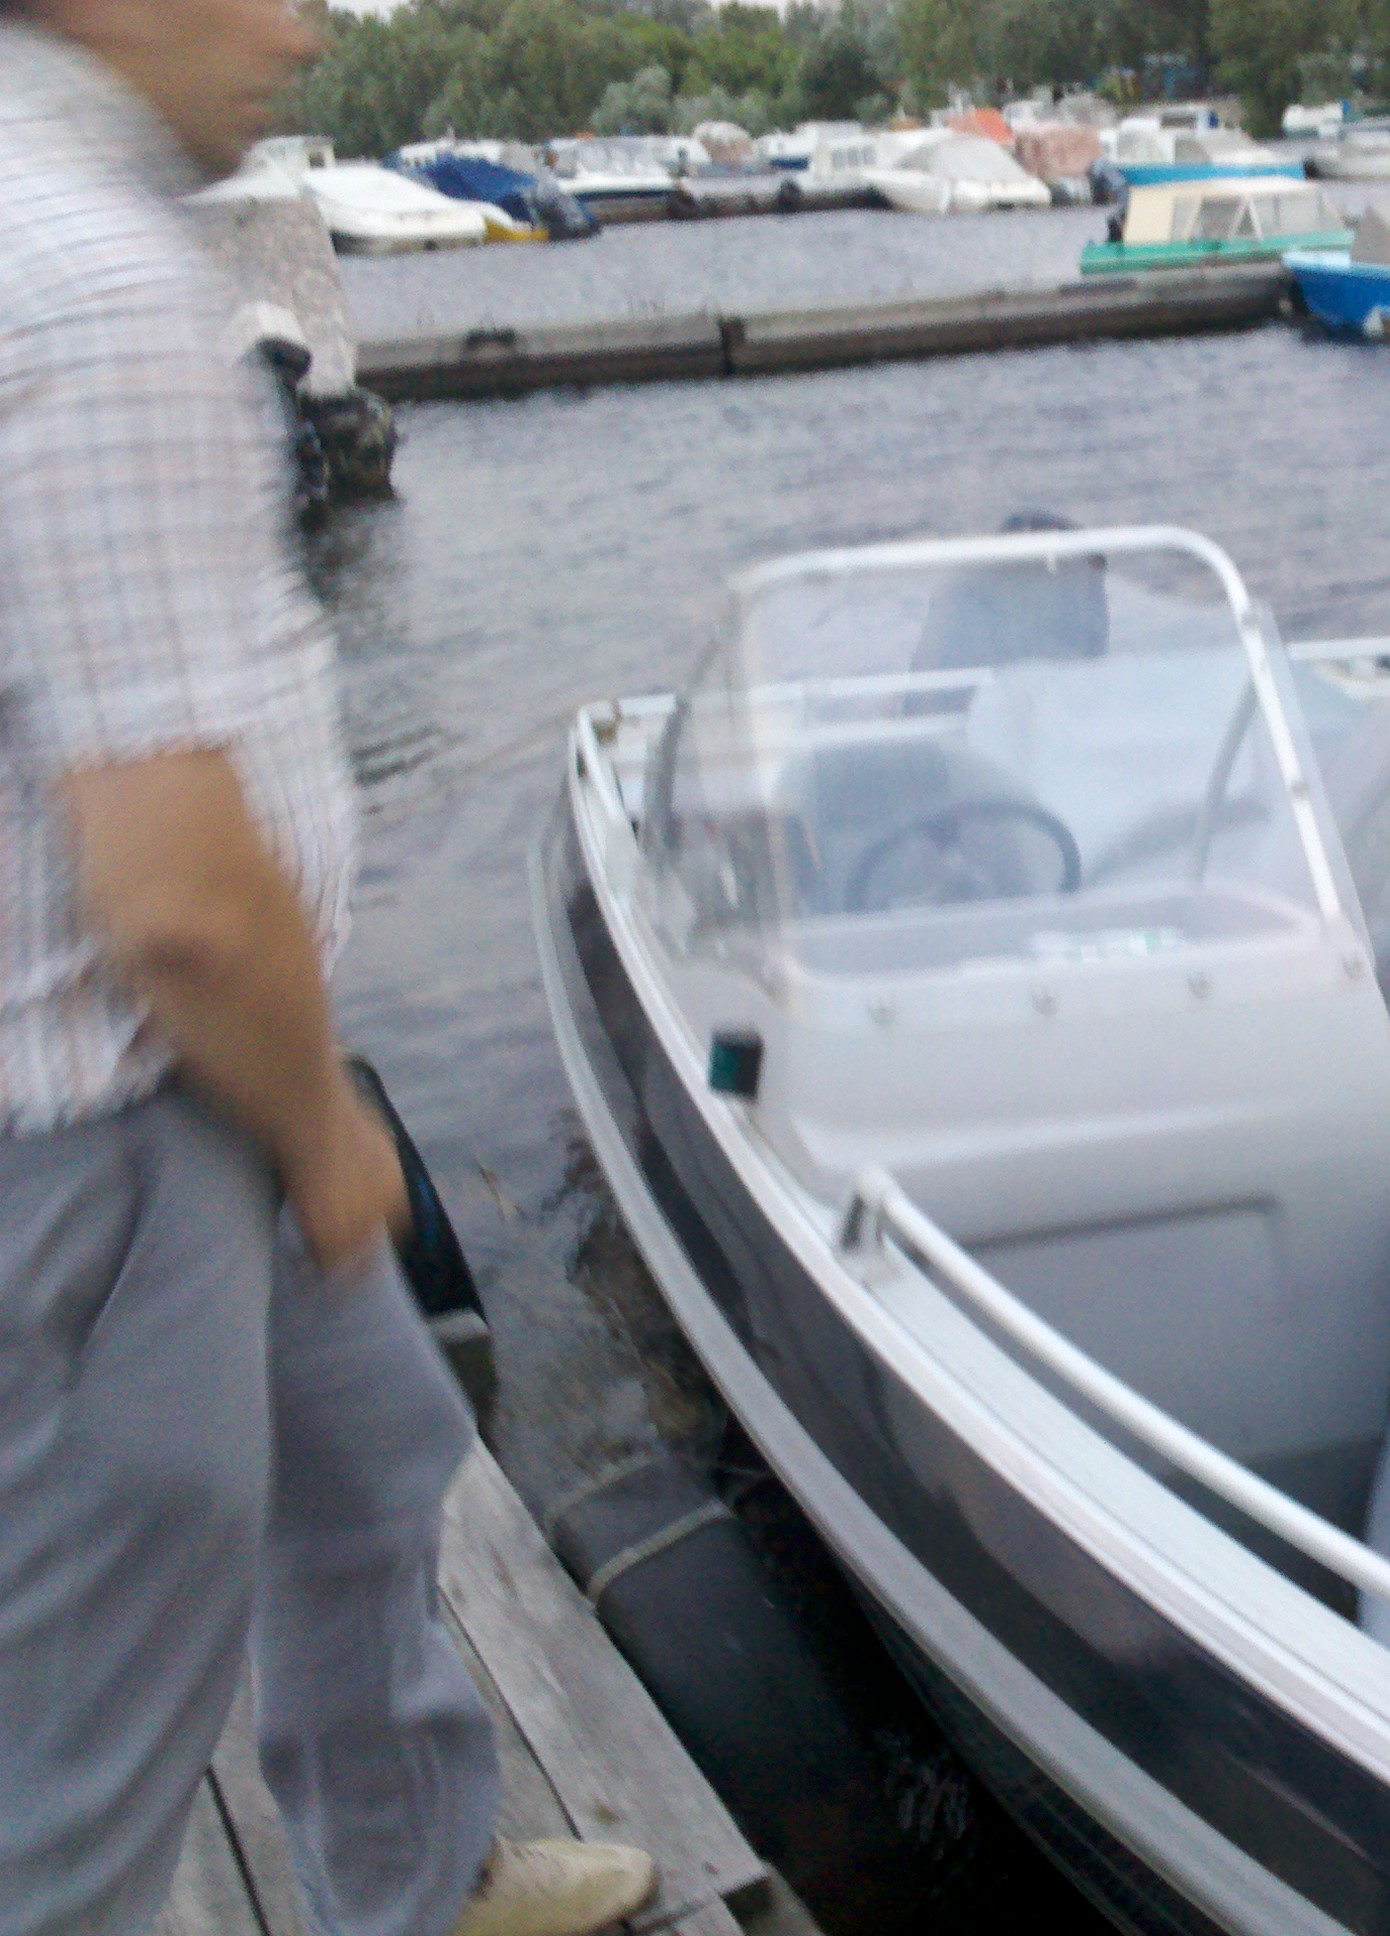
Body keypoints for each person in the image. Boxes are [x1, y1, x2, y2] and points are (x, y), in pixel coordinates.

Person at [0, 0, 659, 1931]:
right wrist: (319, 1131)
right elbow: (178, 900)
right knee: (82, 1757)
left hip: (200, 1063)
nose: (299, 30)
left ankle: (420, 1875)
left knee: (372, 1441)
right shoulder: (87, 283)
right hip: (118, 1120)